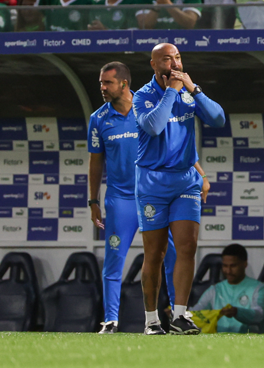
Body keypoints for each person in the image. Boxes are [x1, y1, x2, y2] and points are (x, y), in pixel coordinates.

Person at [132, 43, 224, 335]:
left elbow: (218, 118)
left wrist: (193, 89)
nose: (173, 63)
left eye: (178, 58)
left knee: (187, 246)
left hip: (185, 179)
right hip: (152, 183)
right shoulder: (143, 96)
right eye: (166, 59)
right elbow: (155, 127)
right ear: (153, 64)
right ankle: (151, 320)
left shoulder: (188, 90)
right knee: (155, 254)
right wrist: (172, 91)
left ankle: (180, 315)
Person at [88, 61, 176, 334]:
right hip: (120, 200)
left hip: (152, 195)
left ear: (124, 84)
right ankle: (111, 320)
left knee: (172, 255)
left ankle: (178, 313)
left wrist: (199, 173)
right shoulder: (98, 119)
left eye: (107, 83)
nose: (102, 88)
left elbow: (176, 143)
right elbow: (95, 163)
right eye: (101, 83)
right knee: (114, 260)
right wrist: (93, 201)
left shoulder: (148, 105)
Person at [190, 244, 264, 333]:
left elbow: (259, 315)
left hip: (248, 342)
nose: (228, 271)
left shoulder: (259, 288)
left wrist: (237, 312)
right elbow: (197, 311)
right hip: (217, 342)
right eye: (225, 266)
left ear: (244, 264)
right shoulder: (215, 289)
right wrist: (179, 314)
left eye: (233, 266)